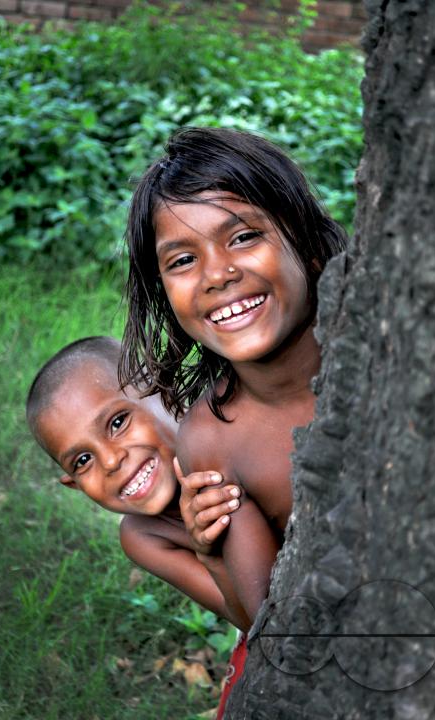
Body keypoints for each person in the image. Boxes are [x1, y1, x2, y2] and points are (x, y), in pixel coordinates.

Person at [120, 127, 347, 628]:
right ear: (165, 296)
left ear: (307, 245)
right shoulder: (212, 443)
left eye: (243, 237)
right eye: (183, 260)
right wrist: (212, 555)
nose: (217, 274)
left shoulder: (382, 347)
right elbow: (266, 623)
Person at [26, 335, 249, 632]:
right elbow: (251, 621)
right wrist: (210, 556)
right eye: (82, 461)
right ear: (74, 484)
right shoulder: (143, 536)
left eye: (117, 423)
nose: (110, 461)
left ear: (162, 387)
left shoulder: (229, 421)